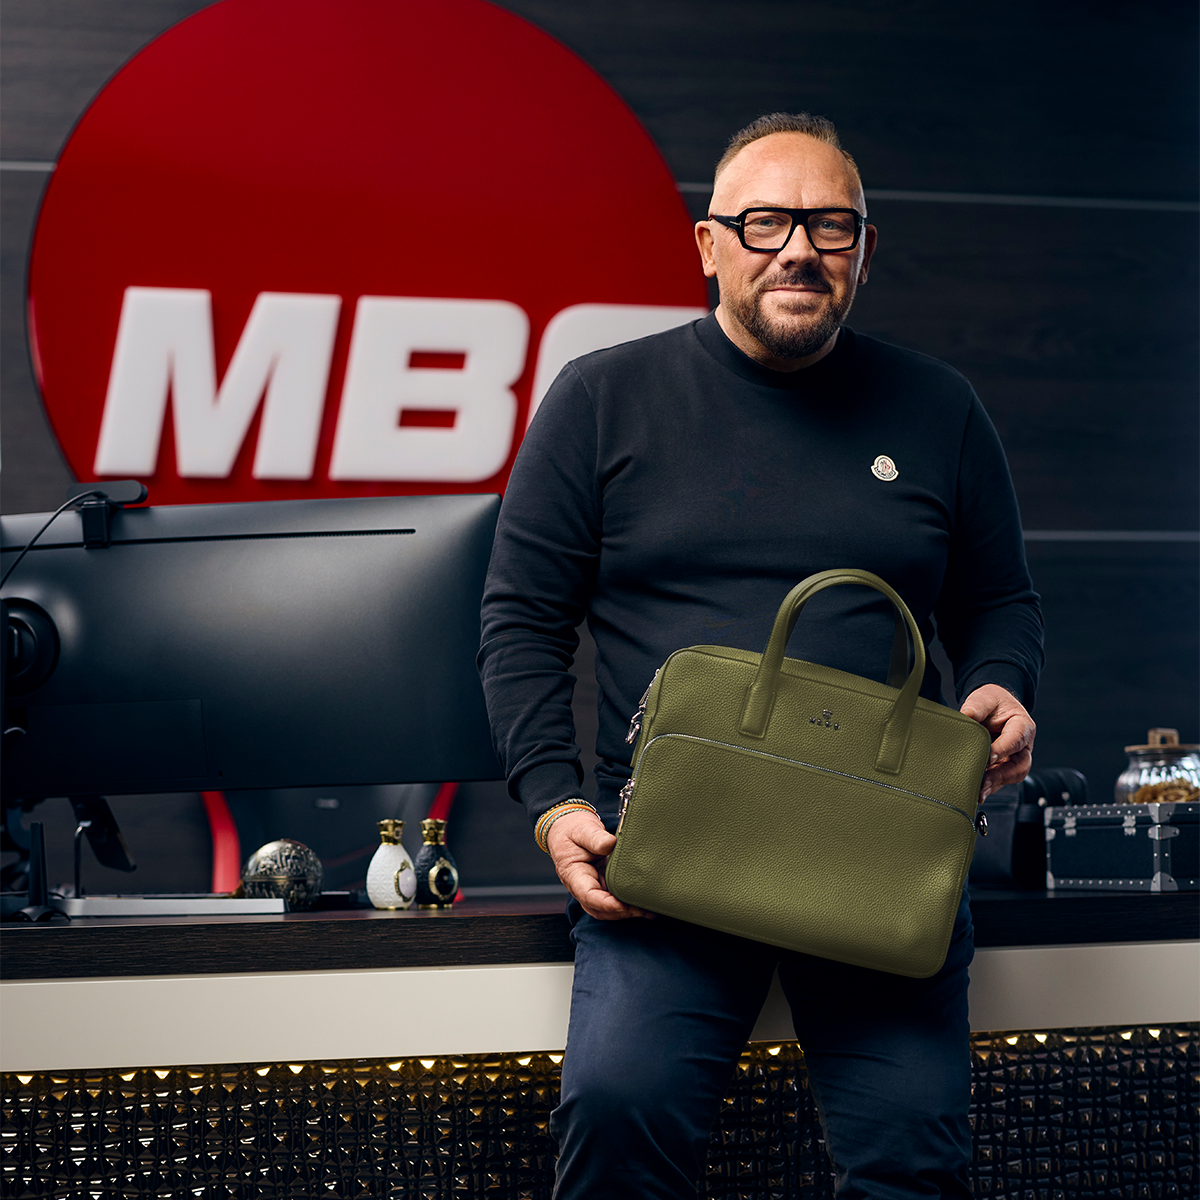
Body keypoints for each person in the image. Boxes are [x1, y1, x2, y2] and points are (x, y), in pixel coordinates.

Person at [479, 112, 1043, 1199]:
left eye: (830, 226)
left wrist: (999, 684)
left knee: (911, 1155)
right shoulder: (600, 398)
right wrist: (554, 804)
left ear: (864, 251)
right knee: (619, 1113)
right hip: (666, 862)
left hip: (882, 857)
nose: (798, 249)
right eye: (765, 222)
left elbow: (999, 601)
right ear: (709, 244)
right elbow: (520, 621)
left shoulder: (940, 408)